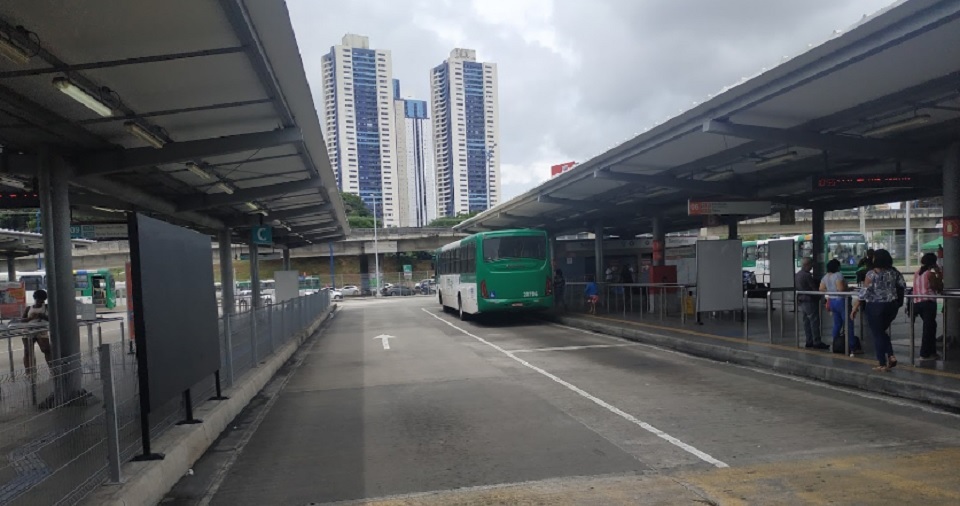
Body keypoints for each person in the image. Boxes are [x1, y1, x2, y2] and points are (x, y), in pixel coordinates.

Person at [851, 249, 905, 372]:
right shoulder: (894, 273)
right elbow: (902, 286)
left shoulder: (871, 274)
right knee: (881, 332)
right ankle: (891, 356)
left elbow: (865, 292)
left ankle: (882, 363)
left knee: (877, 334)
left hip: (875, 306)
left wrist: (855, 307)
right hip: (891, 306)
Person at [820, 259, 861, 354]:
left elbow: (821, 289)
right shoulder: (838, 275)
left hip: (832, 301)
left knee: (837, 324)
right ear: (837, 267)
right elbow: (841, 289)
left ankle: (835, 343)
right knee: (848, 324)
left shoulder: (825, 277)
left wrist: (830, 292)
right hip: (841, 301)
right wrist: (848, 289)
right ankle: (852, 346)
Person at [913, 252, 943, 361]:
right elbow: (938, 287)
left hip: (918, 302)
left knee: (931, 326)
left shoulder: (917, 273)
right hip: (928, 302)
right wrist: (939, 274)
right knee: (928, 328)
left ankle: (932, 352)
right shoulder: (930, 274)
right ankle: (924, 353)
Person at [796, 258, 828, 349]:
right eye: (811, 265)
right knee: (814, 321)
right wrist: (820, 297)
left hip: (802, 301)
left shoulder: (797, 275)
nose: (811, 267)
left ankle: (809, 341)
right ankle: (816, 341)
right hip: (810, 301)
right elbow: (813, 288)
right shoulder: (807, 276)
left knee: (806, 322)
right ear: (807, 265)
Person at [20, 289, 52, 372]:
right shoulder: (29, 308)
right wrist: (30, 318)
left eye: (42, 300)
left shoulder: (47, 307)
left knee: (46, 349)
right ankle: (30, 371)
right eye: (38, 300)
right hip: (28, 331)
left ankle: (52, 369)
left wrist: (42, 316)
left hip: (41, 331)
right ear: (35, 299)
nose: (40, 302)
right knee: (28, 352)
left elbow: (52, 319)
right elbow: (22, 320)